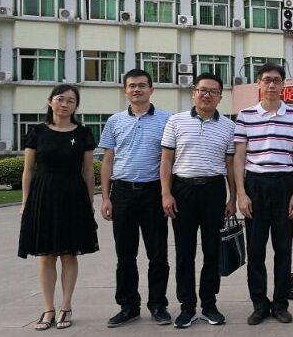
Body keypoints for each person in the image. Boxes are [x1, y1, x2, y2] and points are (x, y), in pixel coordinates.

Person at [18, 84, 99, 330]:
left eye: (70, 101)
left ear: (76, 106)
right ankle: (48, 309)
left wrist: (89, 202)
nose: (64, 104)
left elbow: (87, 170)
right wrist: (25, 202)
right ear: (50, 101)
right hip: (43, 195)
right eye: (60, 99)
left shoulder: (83, 133)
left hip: (73, 196)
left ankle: (66, 306)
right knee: (46, 254)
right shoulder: (37, 132)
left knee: (69, 253)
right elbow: (28, 169)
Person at [160, 72, 237, 328]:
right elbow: (166, 161)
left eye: (213, 92)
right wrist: (166, 193)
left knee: (212, 250)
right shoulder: (176, 121)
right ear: (193, 93)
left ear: (220, 97)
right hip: (183, 190)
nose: (207, 95)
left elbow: (230, 165)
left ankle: (209, 304)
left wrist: (233, 198)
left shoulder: (228, 126)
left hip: (214, 190)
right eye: (202, 90)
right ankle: (187, 306)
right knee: (184, 252)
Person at [233, 63, 293, 326]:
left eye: (276, 80)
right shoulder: (245, 115)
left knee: (283, 249)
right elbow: (239, 157)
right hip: (255, 185)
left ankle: (280, 304)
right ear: (259, 83)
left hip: (284, 184)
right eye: (267, 80)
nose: (272, 85)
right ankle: (259, 304)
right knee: (255, 250)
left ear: (283, 84)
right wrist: (241, 193)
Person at [99, 69, 172, 327]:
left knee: (158, 254)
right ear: (125, 90)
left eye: (142, 85)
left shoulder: (167, 120)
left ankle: (158, 304)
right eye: (132, 86)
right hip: (122, 193)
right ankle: (128, 306)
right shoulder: (114, 121)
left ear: (151, 89)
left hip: (153, 193)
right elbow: (108, 160)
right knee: (125, 255)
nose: (137, 89)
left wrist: (166, 193)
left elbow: (170, 159)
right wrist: (105, 197)